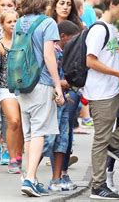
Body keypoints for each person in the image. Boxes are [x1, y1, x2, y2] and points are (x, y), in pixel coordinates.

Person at [84, 0, 119, 200]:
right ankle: (97, 186)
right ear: (112, 4)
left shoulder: (111, 29)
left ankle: (114, 144)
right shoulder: (99, 30)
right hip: (101, 93)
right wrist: (118, 73)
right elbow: (90, 60)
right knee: (100, 140)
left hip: (115, 89)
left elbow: (109, 56)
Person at [16, 0, 64, 197]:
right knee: (40, 132)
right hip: (42, 82)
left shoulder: (20, 23)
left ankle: (31, 176)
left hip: (22, 83)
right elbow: (48, 56)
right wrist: (57, 84)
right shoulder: (48, 23)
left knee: (29, 133)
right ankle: (29, 178)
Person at [44, 20, 81, 192]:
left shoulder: (63, 52)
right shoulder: (52, 51)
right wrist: (68, 83)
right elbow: (51, 78)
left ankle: (56, 178)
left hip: (64, 100)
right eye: (72, 39)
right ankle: (30, 176)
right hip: (53, 101)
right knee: (49, 140)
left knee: (62, 140)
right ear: (62, 37)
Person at [0, 11, 24, 173]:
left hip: (24, 88)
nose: (13, 24)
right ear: (2, 24)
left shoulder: (23, 42)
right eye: (9, 22)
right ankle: (12, 156)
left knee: (21, 124)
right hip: (6, 88)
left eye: (15, 21)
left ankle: (19, 155)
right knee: (13, 121)